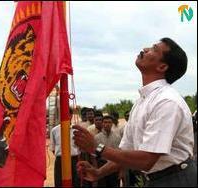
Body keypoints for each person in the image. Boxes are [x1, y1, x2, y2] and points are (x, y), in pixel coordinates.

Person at [73, 38, 197, 187]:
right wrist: (99, 173)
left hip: (176, 180)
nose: (145, 49)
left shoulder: (167, 101)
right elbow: (126, 151)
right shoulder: (141, 102)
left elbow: (146, 160)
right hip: (155, 180)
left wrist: (97, 148)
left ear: (162, 66)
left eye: (154, 49)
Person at [50, 108, 80, 187]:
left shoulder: (76, 130)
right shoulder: (54, 130)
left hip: (74, 160)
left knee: (76, 182)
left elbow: (80, 148)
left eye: (68, 115)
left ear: (71, 116)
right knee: (59, 182)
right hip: (60, 160)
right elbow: (53, 149)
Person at [94, 115, 121, 187]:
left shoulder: (117, 137)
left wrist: (120, 170)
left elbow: (119, 155)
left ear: (112, 124)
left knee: (114, 184)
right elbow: (96, 154)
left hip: (114, 166)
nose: (107, 124)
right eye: (105, 122)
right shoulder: (97, 138)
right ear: (102, 123)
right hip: (102, 165)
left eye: (109, 122)